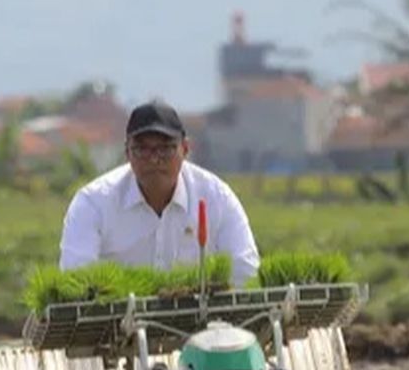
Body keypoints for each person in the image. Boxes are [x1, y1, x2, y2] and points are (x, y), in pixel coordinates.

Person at [58, 100, 260, 287]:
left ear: (185, 149)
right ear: (127, 153)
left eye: (165, 149)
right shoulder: (93, 204)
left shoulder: (217, 198)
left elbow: (245, 273)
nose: (154, 160)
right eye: (142, 150)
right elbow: (76, 281)